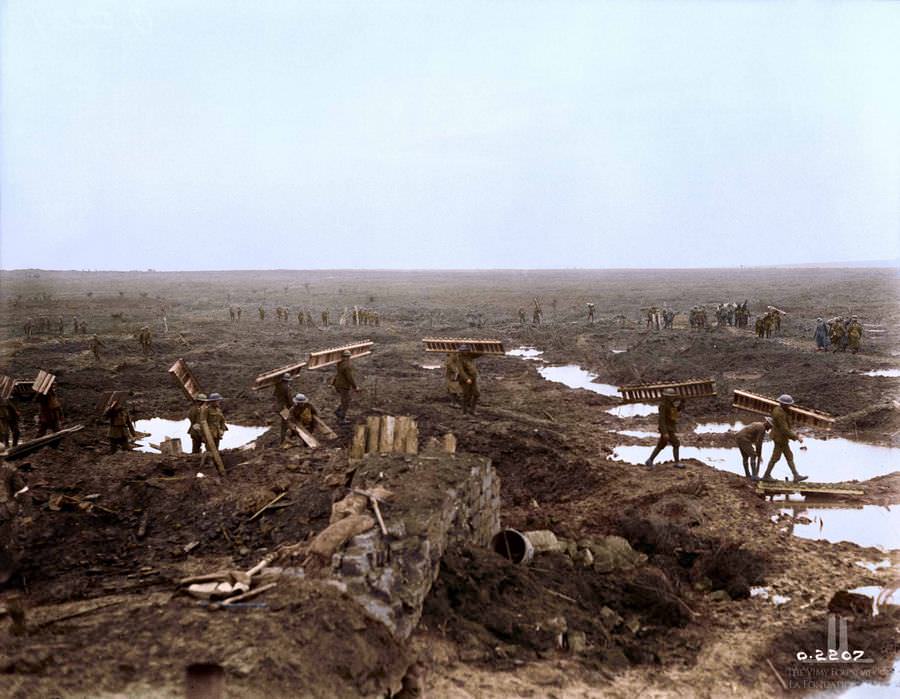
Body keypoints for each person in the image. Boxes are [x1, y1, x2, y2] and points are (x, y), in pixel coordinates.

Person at [760, 394, 807, 482]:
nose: (790, 406)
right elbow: (784, 429)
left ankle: (796, 475)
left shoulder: (779, 409)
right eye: (789, 404)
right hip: (780, 438)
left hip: (781, 437)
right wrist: (797, 437)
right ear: (784, 404)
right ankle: (766, 476)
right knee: (775, 457)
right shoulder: (779, 414)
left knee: (789, 455)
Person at [645, 388, 684, 469]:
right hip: (666, 429)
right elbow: (661, 420)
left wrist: (682, 401)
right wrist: (665, 432)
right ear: (666, 396)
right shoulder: (663, 405)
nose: (671, 398)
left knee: (661, 444)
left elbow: (676, 411)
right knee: (676, 443)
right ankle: (676, 463)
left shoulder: (671, 404)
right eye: (670, 396)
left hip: (669, 428)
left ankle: (649, 460)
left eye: (672, 396)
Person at [332, 350, 359, 423]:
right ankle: (341, 419)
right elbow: (350, 377)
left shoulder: (340, 363)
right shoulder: (347, 366)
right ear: (349, 357)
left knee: (346, 400)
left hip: (338, 384)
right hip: (343, 386)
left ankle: (338, 412)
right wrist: (355, 386)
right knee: (345, 402)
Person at [456, 344, 483, 415]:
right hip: (465, 380)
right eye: (464, 350)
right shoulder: (459, 359)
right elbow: (461, 371)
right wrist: (466, 379)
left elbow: (479, 354)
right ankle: (464, 412)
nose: (466, 351)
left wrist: (480, 345)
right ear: (461, 351)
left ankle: (472, 410)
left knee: (477, 394)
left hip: (473, 378)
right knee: (466, 396)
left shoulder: (469, 356)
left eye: (467, 350)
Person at [273, 373, 294, 444]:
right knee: (285, 423)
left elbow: (274, 395)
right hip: (284, 408)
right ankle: (284, 440)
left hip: (277, 406)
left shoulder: (278, 385)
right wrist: (293, 405)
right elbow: (289, 399)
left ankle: (283, 439)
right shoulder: (287, 387)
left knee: (284, 422)